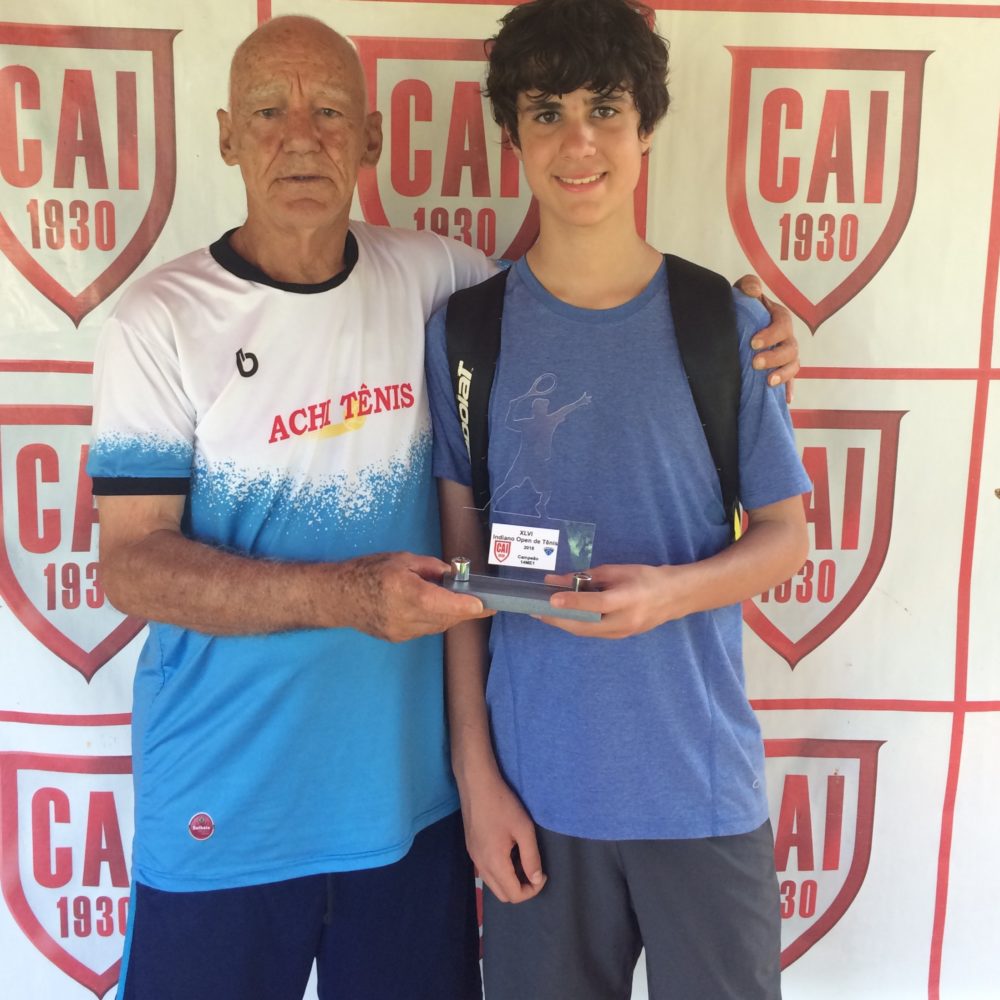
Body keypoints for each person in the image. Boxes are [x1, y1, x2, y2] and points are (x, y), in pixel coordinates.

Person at [88, 12, 799, 1000]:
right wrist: (346, 599)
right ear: (225, 135)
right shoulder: (163, 321)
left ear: (371, 138)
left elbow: (590, 295)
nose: (302, 137)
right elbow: (130, 564)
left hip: (411, 816)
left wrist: (752, 322)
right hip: (233, 804)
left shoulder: (441, 283)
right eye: (269, 111)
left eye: (331, 112)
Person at [424, 1, 812, 998]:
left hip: (699, 789)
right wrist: (476, 778)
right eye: (546, 111)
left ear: (646, 128)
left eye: (605, 108)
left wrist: (668, 595)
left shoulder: (723, 323)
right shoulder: (466, 333)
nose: (579, 142)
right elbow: (462, 582)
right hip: (537, 800)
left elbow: (785, 536)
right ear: (512, 136)